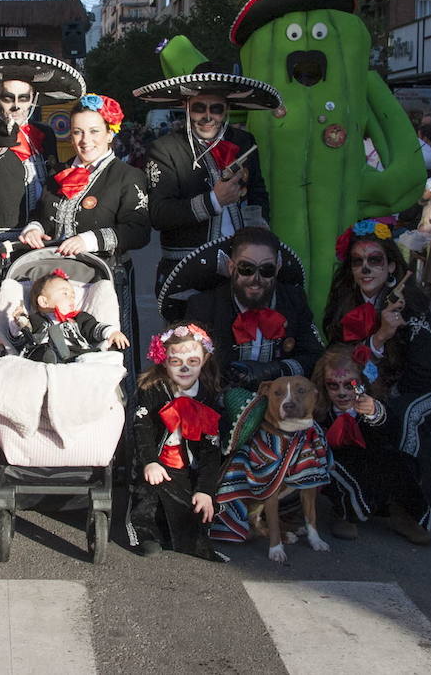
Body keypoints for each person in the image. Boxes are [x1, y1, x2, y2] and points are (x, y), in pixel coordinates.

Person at [323, 220, 431, 508]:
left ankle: (418, 502)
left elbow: (425, 371)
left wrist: (384, 399)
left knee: (404, 413)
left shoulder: (410, 303)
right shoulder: (344, 301)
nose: (366, 269)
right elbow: (337, 354)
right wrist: (380, 337)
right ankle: (355, 495)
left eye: (375, 260)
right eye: (358, 262)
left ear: (391, 266)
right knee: (335, 403)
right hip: (370, 385)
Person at [135, 35, 275, 300]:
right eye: (199, 108)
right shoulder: (165, 148)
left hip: (241, 270)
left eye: (216, 109)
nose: (208, 116)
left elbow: (258, 194)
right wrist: (214, 200)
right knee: (188, 340)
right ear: (186, 107)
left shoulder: (244, 142)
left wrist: (258, 234)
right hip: (185, 269)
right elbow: (158, 214)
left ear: (227, 110)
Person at [19, 94, 151, 367]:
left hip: (103, 279)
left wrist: (89, 240)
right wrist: (33, 228)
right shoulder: (61, 171)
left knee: (104, 354)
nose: (85, 140)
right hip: (55, 284)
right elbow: (41, 214)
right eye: (77, 131)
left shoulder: (127, 176)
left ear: (110, 133)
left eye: (94, 131)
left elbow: (138, 231)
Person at [0, 51, 85, 242]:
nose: (16, 106)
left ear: (33, 99)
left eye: (23, 98)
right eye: (8, 98)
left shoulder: (45, 134)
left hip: (42, 236)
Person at [314, 345, 431, 544]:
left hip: (370, 457)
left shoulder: (371, 404)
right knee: (332, 468)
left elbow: (392, 431)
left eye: (349, 385)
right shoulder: (320, 411)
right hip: (337, 462)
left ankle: (402, 514)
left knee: (401, 462)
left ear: (361, 383)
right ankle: (344, 513)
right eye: (333, 385)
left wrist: (375, 413)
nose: (342, 393)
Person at [180, 226, 323, 387]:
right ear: (231, 267)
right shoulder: (204, 306)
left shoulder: (293, 300)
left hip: (280, 405)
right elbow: (187, 366)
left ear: (277, 268)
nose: (256, 279)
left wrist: (275, 370)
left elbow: (314, 356)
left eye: (266, 270)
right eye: (246, 269)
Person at [128, 323, 224, 562]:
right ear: (163, 360)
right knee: (150, 492)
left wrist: (205, 489)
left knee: (192, 511)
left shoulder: (208, 395)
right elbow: (142, 428)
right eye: (176, 361)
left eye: (192, 361)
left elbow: (210, 448)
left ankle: (181, 533)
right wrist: (150, 461)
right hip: (157, 459)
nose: (184, 368)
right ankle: (146, 533)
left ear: (204, 360)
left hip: (186, 464)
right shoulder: (153, 389)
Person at [7, 269, 128, 363]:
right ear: (44, 302)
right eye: (65, 293)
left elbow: (94, 328)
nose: (71, 298)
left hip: (78, 354)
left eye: (73, 295)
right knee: (37, 351)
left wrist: (111, 332)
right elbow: (21, 338)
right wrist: (19, 320)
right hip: (47, 354)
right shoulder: (35, 319)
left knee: (110, 357)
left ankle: (88, 363)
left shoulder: (78, 319)